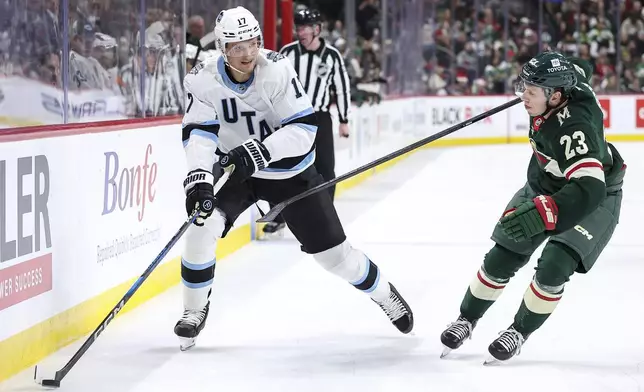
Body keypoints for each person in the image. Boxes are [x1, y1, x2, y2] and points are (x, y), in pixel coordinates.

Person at [174, 6, 414, 351]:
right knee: (201, 226)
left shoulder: (277, 70)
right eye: (236, 47)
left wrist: (257, 152)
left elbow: (303, 131)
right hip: (236, 171)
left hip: (291, 172)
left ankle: (384, 294)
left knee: (337, 259)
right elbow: (199, 130)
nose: (246, 54)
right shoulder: (203, 77)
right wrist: (198, 178)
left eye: (252, 43)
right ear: (222, 49)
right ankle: (193, 311)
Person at [439, 51, 626, 363]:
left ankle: (519, 331)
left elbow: (590, 187)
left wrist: (546, 213)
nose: (523, 95)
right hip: (545, 183)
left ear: (554, 97)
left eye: (531, 91)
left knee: (555, 265)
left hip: (594, 197)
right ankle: (466, 319)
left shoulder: (574, 129)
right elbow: (583, 67)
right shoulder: (566, 82)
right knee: (503, 254)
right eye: (523, 86)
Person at [261, 8, 351, 238]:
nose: (300, 32)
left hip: (319, 117)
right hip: (291, 118)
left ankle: (324, 217)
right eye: (298, 27)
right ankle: (279, 216)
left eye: (305, 28)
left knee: (325, 169)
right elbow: (272, 82)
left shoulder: (331, 56)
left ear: (317, 29)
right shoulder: (287, 53)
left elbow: (341, 88)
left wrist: (344, 119)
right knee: (284, 168)